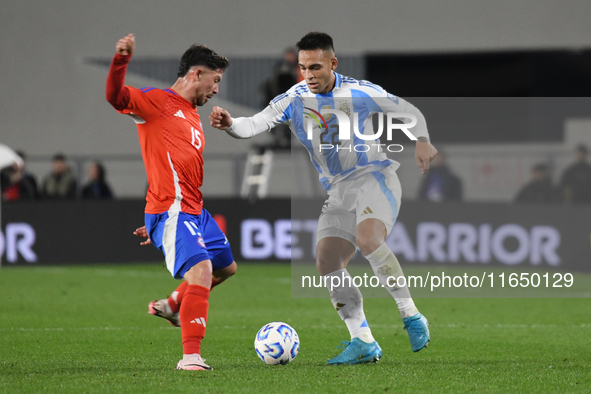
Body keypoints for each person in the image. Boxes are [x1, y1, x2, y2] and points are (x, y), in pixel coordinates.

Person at [210, 32, 437, 364]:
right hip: (339, 190)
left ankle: (411, 315)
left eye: (315, 67)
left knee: (368, 238)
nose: (308, 75)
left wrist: (422, 140)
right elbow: (255, 123)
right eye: (303, 67)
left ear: (333, 63)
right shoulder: (295, 98)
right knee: (327, 261)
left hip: (374, 177)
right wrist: (231, 124)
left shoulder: (360, 91)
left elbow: (408, 111)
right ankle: (363, 341)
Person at [106, 34, 236, 371]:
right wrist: (121, 60)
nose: (217, 89)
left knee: (225, 267)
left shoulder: (191, 114)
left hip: (193, 210)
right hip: (173, 211)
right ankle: (191, 357)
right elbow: (115, 97)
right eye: (215, 80)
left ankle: (174, 304)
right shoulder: (157, 103)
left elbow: (174, 166)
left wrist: (158, 224)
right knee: (202, 270)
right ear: (196, 74)